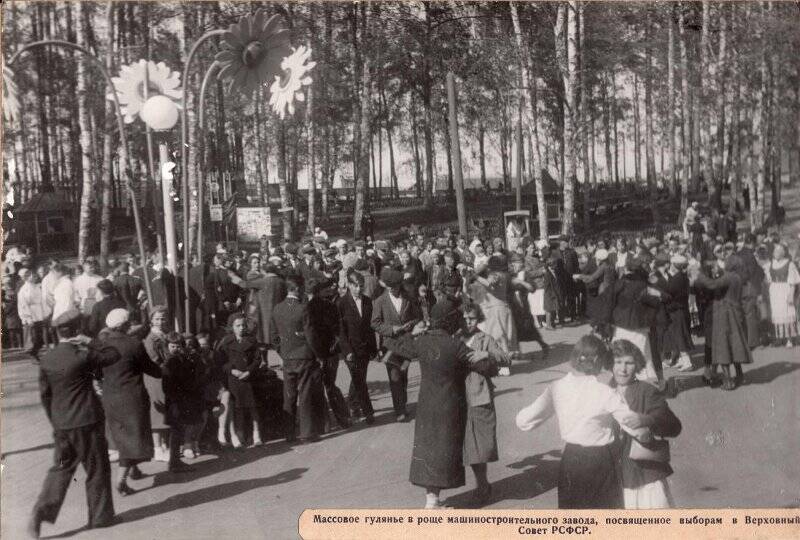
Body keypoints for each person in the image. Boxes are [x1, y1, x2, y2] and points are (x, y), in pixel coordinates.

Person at [516, 334, 649, 509]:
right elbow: (636, 429)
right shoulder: (605, 392)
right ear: (598, 361)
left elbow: (523, 421)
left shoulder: (557, 388)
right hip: (602, 461)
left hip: (571, 461)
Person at [394, 300, 496, 509]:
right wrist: (489, 357)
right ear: (450, 322)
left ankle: (431, 500)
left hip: (426, 405)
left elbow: (396, 348)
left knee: (428, 449)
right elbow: (486, 367)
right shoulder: (455, 345)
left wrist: (411, 333)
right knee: (444, 451)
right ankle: (459, 492)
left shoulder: (421, 342)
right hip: (450, 405)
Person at [28, 308, 120, 538]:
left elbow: (45, 395)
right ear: (78, 330)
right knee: (97, 468)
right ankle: (100, 517)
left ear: (58, 332)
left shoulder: (47, 359)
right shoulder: (83, 355)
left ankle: (41, 510)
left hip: (62, 424)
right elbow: (113, 354)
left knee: (60, 468)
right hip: (87, 421)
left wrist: (56, 421)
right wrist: (91, 341)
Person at [98, 308, 171, 493]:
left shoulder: (102, 344)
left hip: (110, 397)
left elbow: (96, 371)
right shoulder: (133, 344)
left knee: (123, 436)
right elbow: (151, 369)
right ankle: (120, 481)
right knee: (135, 438)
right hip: (132, 398)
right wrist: (169, 369)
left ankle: (134, 470)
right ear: (125, 325)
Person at [609, 340, 682, 509]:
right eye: (618, 362)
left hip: (644, 474)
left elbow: (674, 426)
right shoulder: (603, 392)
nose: (623, 369)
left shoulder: (646, 390)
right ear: (610, 364)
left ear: (638, 365)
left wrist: (647, 420)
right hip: (616, 477)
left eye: (629, 363)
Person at [460, 304, 511, 505]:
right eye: (465, 318)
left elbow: (506, 359)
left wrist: (487, 355)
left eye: (472, 318)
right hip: (460, 398)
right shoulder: (456, 339)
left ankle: (482, 484)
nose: (468, 322)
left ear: (478, 319)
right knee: (470, 447)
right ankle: (481, 485)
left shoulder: (485, 339)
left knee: (483, 446)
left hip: (481, 397)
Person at [271, 275, 326, 442]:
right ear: (297, 289)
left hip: (287, 357)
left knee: (289, 395)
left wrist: (282, 352)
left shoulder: (277, 309)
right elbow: (310, 335)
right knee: (305, 393)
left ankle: (289, 433)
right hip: (304, 357)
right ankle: (307, 432)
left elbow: (273, 336)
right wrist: (319, 354)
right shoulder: (303, 309)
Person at [689, 255, 753, 390]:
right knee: (733, 346)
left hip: (724, 313)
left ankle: (728, 381)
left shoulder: (729, 276)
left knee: (722, 347)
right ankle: (740, 375)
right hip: (735, 313)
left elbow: (712, 285)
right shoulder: (738, 277)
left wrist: (699, 274)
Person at [371, 267, 422, 422]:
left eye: (395, 286)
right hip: (390, 346)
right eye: (389, 286)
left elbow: (418, 316)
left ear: (400, 285)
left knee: (404, 375)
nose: (392, 289)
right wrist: (392, 329)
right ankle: (399, 409)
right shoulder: (380, 301)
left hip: (406, 345)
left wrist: (410, 325)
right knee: (395, 377)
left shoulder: (408, 298)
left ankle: (403, 403)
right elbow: (375, 323)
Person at [306, 277, 351, 430]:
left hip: (315, 354)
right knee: (330, 385)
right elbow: (338, 329)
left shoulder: (306, 308)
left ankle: (325, 424)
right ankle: (343, 418)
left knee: (318, 387)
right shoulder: (330, 305)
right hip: (331, 352)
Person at [218, 314, 265, 447]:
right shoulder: (226, 342)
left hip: (249, 378)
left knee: (252, 407)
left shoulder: (252, 341)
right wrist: (232, 370)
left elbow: (257, 359)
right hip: (234, 378)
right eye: (237, 326)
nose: (241, 328)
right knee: (238, 407)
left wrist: (249, 371)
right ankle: (240, 434)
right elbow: (222, 361)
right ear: (232, 327)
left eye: (243, 325)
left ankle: (256, 434)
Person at [337, 271, 377, 424]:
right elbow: (340, 330)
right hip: (351, 350)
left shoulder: (367, 301)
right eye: (355, 286)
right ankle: (368, 412)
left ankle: (353, 405)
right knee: (359, 379)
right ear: (348, 285)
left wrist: (374, 348)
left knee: (359, 378)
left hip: (365, 348)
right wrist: (347, 351)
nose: (358, 289)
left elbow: (370, 327)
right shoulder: (341, 303)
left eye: (361, 286)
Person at [143, 306, 171, 460]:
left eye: (163, 318)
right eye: (157, 319)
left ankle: (164, 445)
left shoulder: (165, 335)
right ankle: (157, 448)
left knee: (164, 411)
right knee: (157, 413)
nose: (160, 322)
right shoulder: (151, 339)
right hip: (156, 378)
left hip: (165, 377)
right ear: (151, 320)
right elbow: (154, 360)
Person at [765, 244, 799, 347]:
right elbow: (768, 279)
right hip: (775, 291)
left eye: (779, 250)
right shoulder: (770, 264)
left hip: (785, 289)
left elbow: (793, 282)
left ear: (784, 252)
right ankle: (780, 337)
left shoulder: (790, 264)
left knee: (787, 313)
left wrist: (791, 295)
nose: (776, 252)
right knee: (777, 313)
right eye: (775, 250)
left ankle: (789, 338)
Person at [17, 268, 46, 360]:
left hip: (40, 312)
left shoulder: (37, 287)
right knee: (35, 337)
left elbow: (43, 299)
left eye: (32, 275)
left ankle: (35, 352)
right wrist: (28, 318)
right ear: (25, 278)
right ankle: (33, 354)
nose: (32, 277)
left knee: (41, 337)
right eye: (29, 276)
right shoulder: (23, 290)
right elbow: (23, 305)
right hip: (31, 314)